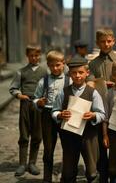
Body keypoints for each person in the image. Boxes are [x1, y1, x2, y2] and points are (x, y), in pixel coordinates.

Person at [51, 56, 105, 183]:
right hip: (69, 136)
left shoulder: (93, 93)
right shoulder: (63, 92)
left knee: (92, 171)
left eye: (81, 72)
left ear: (87, 73)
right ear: (69, 74)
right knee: (68, 171)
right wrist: (60, 115)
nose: (78, 76)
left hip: (88, 136)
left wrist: (92, 115)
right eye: (74, 73)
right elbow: (54, 110)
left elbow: (102, 114)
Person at [88, 27, 116, 183]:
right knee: (101, 147)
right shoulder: (93, 64)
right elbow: (89, 84)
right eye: (102, 42)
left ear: (114, 41)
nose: (106, 44)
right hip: (100, 107)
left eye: (109, 41)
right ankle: (102, 176)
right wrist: (101, 83)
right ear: (97, 43)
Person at [9, 45, 47, 176]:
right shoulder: (21, 71)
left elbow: (49, 87)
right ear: (27, 56)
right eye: (31, 56)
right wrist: (19, 95)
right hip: (25, 104)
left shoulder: (44, 72)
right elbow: (13, 87)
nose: (34, 58)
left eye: (37, 55)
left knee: (37, 135)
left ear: (40, 55)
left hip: (39, 105)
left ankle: (32, 163)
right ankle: (22, 164)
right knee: (24, 134)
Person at [33, 50, 70, 182]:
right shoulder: (44, 81)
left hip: (64, 115)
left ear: (63, 64)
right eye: (52, 65)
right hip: (47, 116)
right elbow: (35, 98)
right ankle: (47, 178)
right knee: (48, 149)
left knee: (67, 147)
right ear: (48, 65)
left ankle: (66, 176)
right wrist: (39, 102)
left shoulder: (69, 80)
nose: (55, 68)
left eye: (58, 65)